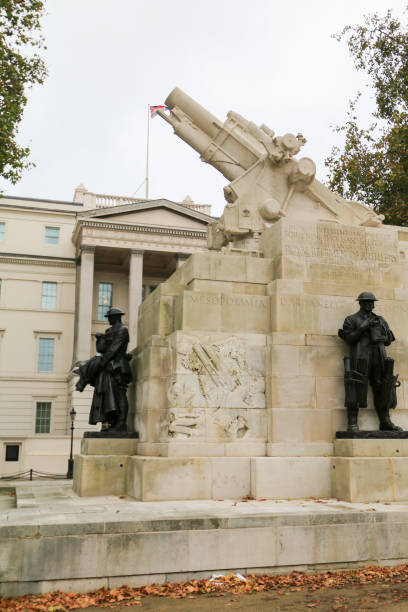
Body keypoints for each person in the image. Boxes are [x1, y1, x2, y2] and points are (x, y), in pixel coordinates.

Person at [338, 292, 402, 432]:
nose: (370, 304)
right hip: (361, 357)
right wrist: (363, 326)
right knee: (355, 386)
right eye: (366, 302)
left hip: (379, 356)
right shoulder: (351, 319)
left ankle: (385, 421)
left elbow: (389, 338)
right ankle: (352, 422)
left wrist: (384, 338)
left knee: (383, 387)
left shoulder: (380, 319)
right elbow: (349, 339)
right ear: (360, 303)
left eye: (371, 302)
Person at [74, 307, 132, 432]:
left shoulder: (123, 330)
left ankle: (121, 423)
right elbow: (101, 350)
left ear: (117, 317)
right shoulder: (109, 331)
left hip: (117, 367)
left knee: (120, 395)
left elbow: (113, 350)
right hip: (108, 367)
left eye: (110, 317)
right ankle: (114, 423)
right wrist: (100, 339)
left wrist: (102, 363)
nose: (108, 320)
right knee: (109, 396)